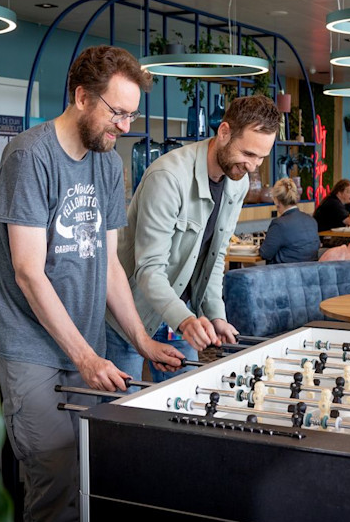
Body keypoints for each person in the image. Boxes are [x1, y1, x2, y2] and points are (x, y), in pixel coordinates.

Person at [0, 45, 183, 522]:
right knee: (53, 484)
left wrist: (141, 340)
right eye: (117, 113)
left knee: (89, 477)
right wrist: (86, 358)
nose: (124, 127)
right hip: (32, 348)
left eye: (131, 116)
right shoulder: (30, 156)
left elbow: (110, 263)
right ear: (81, 97)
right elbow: (29, 271)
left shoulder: (107, 163)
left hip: (87, 345)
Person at [105, 95, 279, 382]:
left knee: (187, 404)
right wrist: (185, 321)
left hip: (181, 312)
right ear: (224, 132)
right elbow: (148, 269)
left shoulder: (239, 181)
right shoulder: (168, 177)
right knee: (124, 408)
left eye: (261, 157)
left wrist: (216, 315)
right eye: (248, 154)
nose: (253, 166)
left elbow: (215, 255)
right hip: (130, 314)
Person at [258, 177, 320, 264]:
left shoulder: (279, 224)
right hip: (308, 274)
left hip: (283, 274)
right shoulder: (311, 220)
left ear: (276, 201)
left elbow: (265, 254)